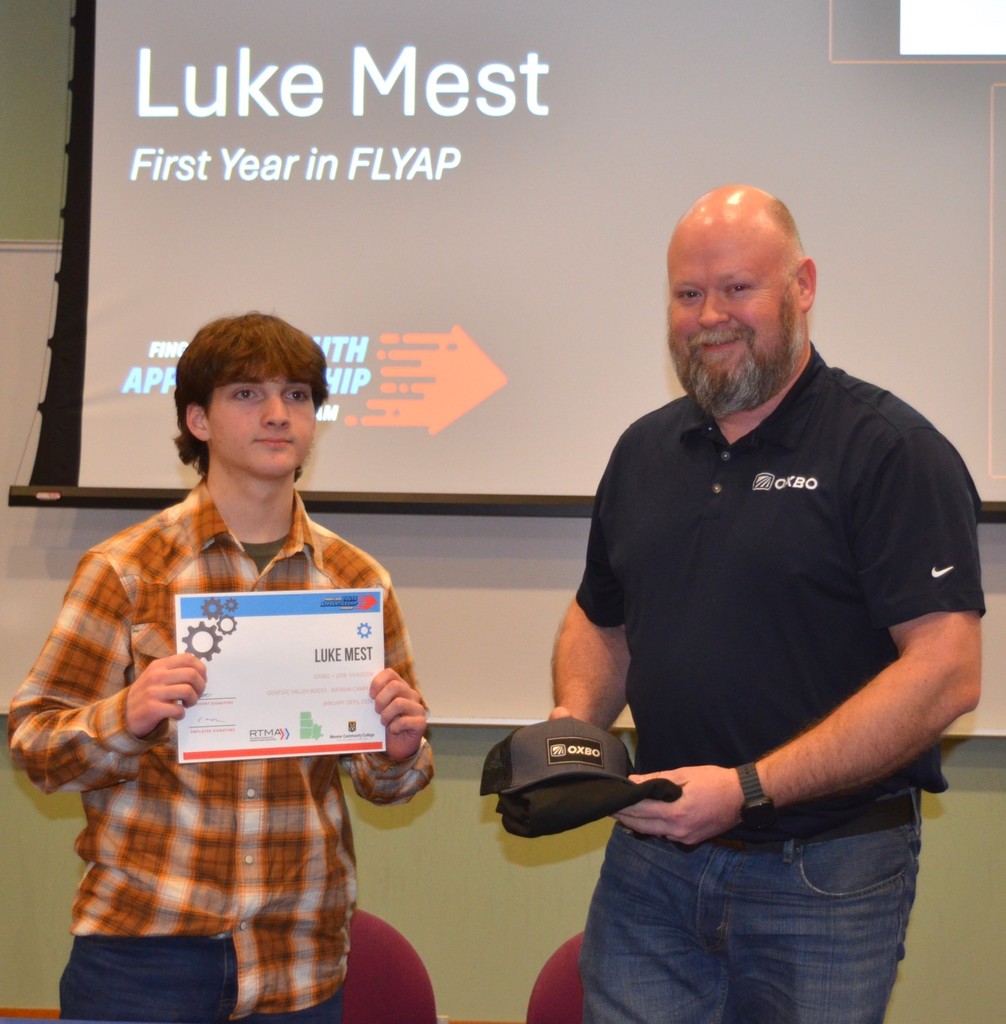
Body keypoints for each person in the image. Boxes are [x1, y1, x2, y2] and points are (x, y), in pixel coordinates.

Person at [551, 185, 984, 1024]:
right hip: (652, 862)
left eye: (737, 288)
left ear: (803, 285)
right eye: (688, 293)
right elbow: (601, 620)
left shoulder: (891, 451)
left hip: (825, 874)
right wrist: (574, 725)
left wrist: (748, 789)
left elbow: (947, 672)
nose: (710, 316)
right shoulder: (644, 451)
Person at [8, 312, 433, 1024]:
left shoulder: (356, 581)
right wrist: (126, 716)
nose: (278, 414)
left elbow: (388, 784)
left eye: (297, 395)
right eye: (247, 394)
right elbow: (36, 747)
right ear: (198, 421)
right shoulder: (126, 570)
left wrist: (397, 751)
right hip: (143, 956)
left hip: (299, 958)